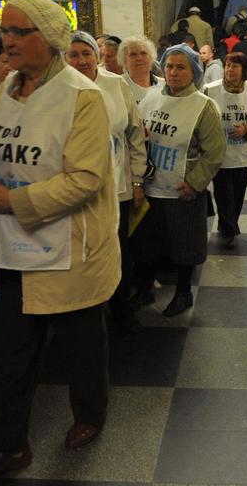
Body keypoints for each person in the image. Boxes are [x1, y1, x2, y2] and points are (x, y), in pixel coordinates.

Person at [0, 0, 120, 481]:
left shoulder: (82, 96)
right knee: (11, 354)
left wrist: (10, 201)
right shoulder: (6, 87)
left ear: (48, 38)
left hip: (72, 248)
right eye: (4, 30)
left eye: (18, 32)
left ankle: (90, 415)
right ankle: (8, 447)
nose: (5, 41)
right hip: (14, 246)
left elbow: (86, 179)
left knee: (82, 348)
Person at [65, 31, 147, 334]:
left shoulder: (116, 84)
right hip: (74, 190)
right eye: (73, 55)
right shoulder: (58, 88)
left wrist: (137, 179)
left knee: (118, 252)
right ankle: (85, 314)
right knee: (80, 254)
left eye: (86, 53)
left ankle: (121, 311)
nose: (81, 60)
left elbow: (135, 134)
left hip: (117, 188)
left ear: (97, 56)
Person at [135, 44, 225, 316]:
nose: (173, 72)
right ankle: (144, 289)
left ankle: (183, 292)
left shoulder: (204, 107)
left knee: (184, 244)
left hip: (182, 189)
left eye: (181, 67)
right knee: (148, 244)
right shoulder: (151, 98)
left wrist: (194, 184)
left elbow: (214, 153)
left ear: (194, 71)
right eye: (170, 66)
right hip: (151, 186)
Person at [203, 52, 247, 249]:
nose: (230, 69)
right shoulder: (210, 90)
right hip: (219, 153)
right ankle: (230, 230)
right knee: (223, 193)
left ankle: (227, 224)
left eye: (235, 66)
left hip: (243, 153)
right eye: (228, 65)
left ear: (243, 70)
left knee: (237, 195)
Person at [120, 35, 165, 104]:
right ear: (124, 60)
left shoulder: (164, 85)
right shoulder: (119, 85)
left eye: (143, 53)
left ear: (151, 57)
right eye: (133, 54)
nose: (139, 58)